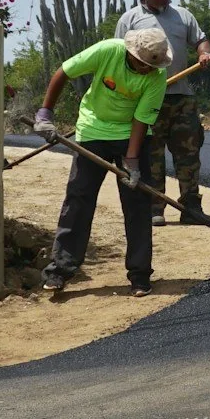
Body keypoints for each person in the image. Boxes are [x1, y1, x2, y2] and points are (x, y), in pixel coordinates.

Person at [33, 26, 173, 296]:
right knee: (78, 200)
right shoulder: (108, 50)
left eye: (149, 66)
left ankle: (140, 274)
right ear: (131, 53)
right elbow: (64, 71)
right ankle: (60, 270)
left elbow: (142, 119)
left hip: (131, 136)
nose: (145, 69)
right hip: (92, 131)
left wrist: (131, 161)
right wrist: (45, 114)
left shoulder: (157, 75)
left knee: (137, 205)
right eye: (140, 64)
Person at [116, 0, 210, 225]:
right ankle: (155, 208)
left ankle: (191, 207)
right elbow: (120, 54)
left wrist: (204, 54)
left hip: (181, 96)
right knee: (152, 154)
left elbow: (201, 40)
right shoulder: (130, 19)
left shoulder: (183, 16)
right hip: (146, 99)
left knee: (189, 152)